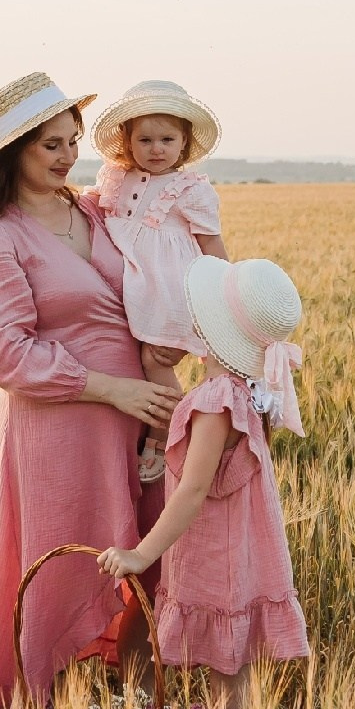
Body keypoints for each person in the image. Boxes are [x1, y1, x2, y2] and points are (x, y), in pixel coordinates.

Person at [0, 72, 182, 709]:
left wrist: (167, 344)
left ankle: (138, 704)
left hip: (137, 418)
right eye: (50, 145)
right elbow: (8, 356)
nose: (66, 155)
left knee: (144, 563)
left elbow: (149, 283)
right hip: (61, 428)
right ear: (12, 153)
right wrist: (112, 390)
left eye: (72, 140)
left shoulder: (97, 210)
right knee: (60, 567)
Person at [98, 255, 311, 709]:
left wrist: (140, 555)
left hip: (218, 561)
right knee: (234, 677)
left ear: (208, 329)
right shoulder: (246, 392)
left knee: (229, 679)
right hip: (243, 556)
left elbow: (194, 490)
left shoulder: (216, 400)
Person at [85, 80, 230, 483]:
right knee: (128, 356)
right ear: (127, 142)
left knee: (155, 359)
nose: (156, 149)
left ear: (184, 144)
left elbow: (211, 246)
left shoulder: (191, 189)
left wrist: (223, 300)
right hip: (132, 286)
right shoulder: (116, 178)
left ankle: (163, 433)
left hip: (168, 293)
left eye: (167, 139)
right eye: (145, 139)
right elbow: (93, 211)